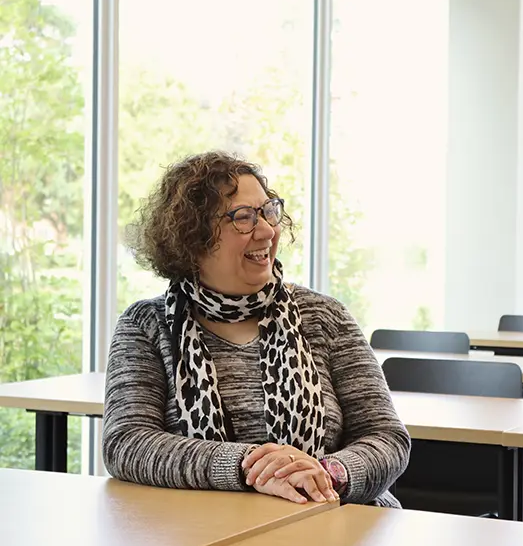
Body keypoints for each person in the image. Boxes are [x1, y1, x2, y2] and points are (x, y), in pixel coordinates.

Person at [103, 151, 410, 507]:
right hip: (204, 534)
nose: (267, 231)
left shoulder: (324, 316)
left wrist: (327, 474)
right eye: (243, 218)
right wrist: (249, 466)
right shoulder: (146, 326)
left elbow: (387, 438)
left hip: (337, 525)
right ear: (192, 238)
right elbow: (126, 443)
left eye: (269, 211)